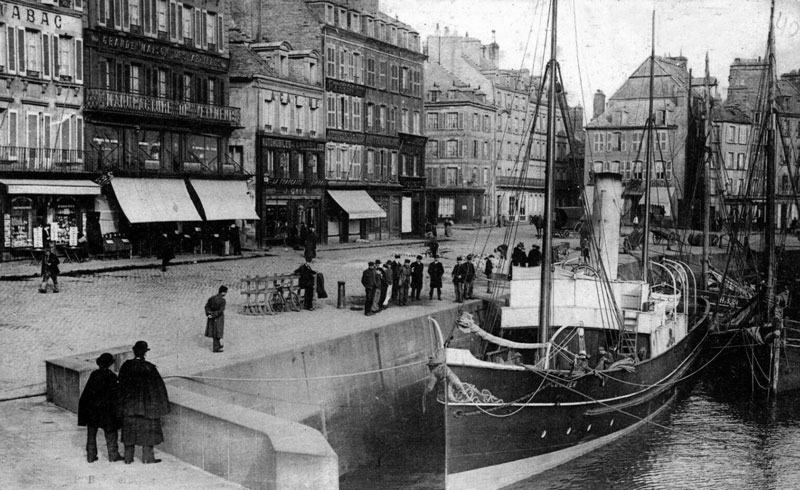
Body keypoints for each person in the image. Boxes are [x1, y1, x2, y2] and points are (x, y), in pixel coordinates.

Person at [118, 341, 170, 464]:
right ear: (145, 353)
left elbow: (120, 385)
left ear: (134, 351)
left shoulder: (126, 366)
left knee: (129, 433)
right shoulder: (149, 368)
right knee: (148, 433)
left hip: (129, 407)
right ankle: (148, 458)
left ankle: (128, 458)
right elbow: (159, 388)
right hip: (146, 409)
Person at [78, 353, 123, 463]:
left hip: (93, 410)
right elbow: (116, 396)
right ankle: (113, 455)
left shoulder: (94, 374)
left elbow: (86, 393)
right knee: (111, 432)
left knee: (91, 433)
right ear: (110, 364)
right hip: (107, 411)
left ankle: (91, 456)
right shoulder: (112, 376)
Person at [204, 286, 227, 353]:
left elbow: (206, 307)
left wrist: (209, 314)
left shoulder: (212, 298)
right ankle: (216, 348)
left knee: (214, 331)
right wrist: (214, 315)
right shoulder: (222, 301)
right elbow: (221, 310)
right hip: (218, 317)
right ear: (223, 292)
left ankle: (218, 345)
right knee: (217, 332)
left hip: (211, 317)